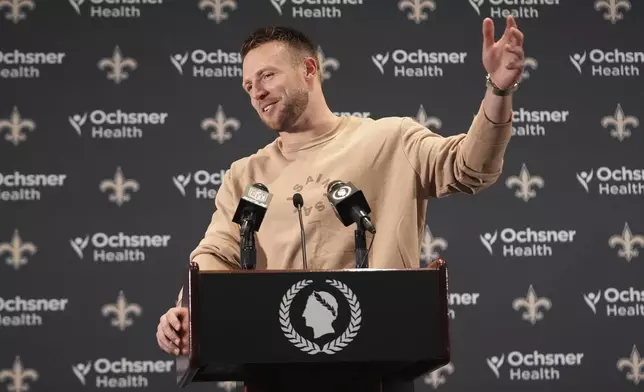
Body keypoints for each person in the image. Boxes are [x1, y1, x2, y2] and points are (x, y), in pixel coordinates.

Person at [157, 17, 525, 360]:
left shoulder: (390, 140)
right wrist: (186, 311)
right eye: (249, 86)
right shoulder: (246, 176)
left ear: (309, 69)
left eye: (267, 76)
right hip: (272, 365)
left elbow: (470, 167)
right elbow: (216, 255)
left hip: (378, 359)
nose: (258, 93)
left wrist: (498, 88)